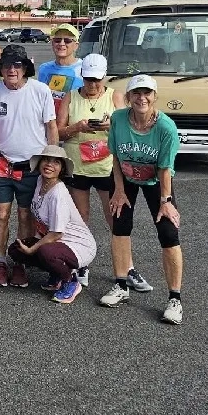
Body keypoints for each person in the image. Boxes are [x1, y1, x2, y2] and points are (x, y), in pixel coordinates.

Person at [57, 54, 151, 291]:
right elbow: (58, 132)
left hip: (107, 167)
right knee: (81, 218)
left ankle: (128, 268)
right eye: (88, 79)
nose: (92, 84)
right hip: (77, 166)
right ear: (82, 76)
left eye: (97, 80)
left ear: (104, 77)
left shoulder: (115, 96)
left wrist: (111, 125)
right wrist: (77, 127)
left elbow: (130, 125)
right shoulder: (70, 97)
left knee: (115, 219)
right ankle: (82, 263)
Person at [100, 75, 184, 325]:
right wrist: (118, 189)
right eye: (136, 93)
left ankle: (175, 299)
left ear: (155, 96)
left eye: (147, 93)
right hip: (125, 177)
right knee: (120, 225)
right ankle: (121, 285)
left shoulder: (166, 127)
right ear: (128, 97)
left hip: (157, 181)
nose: (142, 98)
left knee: (168, 233)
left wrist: (166, 201)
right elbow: (116, 157)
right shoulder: (118, 119)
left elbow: (165, 168)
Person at [0, 43, 58, 288]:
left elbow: (51, 127)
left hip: (32, 164)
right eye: (7, 65)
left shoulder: (41, 91)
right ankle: (0, 262)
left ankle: (20, 263)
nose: (12, 70)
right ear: (1, 69)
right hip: (2, 161)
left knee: (24, 214)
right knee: (1, 213)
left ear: (25, 68)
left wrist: (53, 161)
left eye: (17, 65)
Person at [7, 145, 96, 304]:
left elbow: (56, 233)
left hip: (78, 245)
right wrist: (32, 243)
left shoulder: (58, 193)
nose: (49, 165)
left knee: (45, 251)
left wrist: (33, 248)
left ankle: (70, 281)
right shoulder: (40, 181)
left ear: (62, 169)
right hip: (56, 241)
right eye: (46, 160)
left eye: (56, 162)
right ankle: (57, 275)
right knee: (16, 250)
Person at [37, 23, 83, 120]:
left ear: (76, 46)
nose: (61, 44)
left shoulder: (84, 69)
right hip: (47, 123)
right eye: (57, 40)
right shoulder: (44, 69)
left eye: (67, 41)